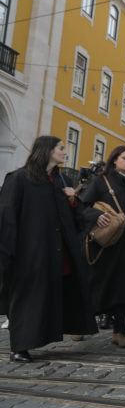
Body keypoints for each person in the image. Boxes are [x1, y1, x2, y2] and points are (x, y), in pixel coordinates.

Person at [0, 136, 97, 362]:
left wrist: (73, 201)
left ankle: (38, 338)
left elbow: (69, 217)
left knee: (46, 296)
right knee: (27, 298)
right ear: (48, 151)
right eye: (61, 148)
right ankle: (19, 346)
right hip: (29, 252)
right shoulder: (19, 179)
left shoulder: (60, 180)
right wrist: (8, 253)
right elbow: (7, 217)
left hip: (56, 252)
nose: (65, 152)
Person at [79, 145, 125, 348]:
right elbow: (83, 206)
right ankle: (80, 324)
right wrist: (97, 216)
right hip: (106, 245)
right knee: (97, 285)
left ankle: (120, 331)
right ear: (114, 160)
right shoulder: (101, 181)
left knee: (124, 289)